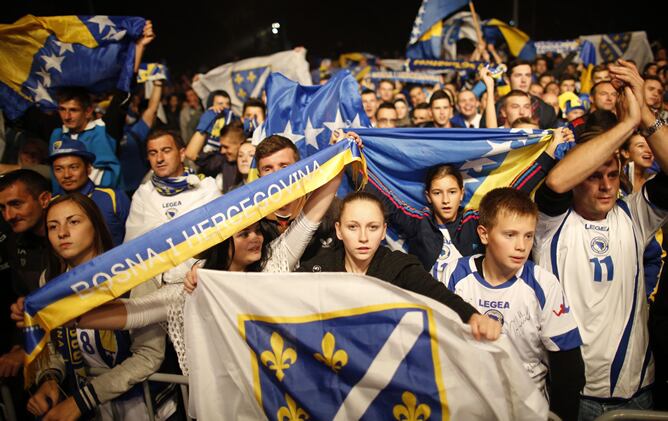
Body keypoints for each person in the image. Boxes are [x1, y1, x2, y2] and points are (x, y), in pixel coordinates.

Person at [34, 148, 355, 375]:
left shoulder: (272, 268)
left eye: (258, 230)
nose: (256, 237)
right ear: (223, 240)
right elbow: (132, 313)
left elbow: (311, 217)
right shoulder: (189, 293)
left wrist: (341, 158)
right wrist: (61, 314)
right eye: (244, 233)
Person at [533, 59, 668, 419]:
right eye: (594, 176)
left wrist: (645, 114)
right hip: (575, 395)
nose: (607, 185)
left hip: (638, 391)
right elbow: (557, 182)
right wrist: (626, 122)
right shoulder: (551, 222)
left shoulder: (634, 214)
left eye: (612, 174)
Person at [442, 187, 584, 421]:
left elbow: (569, 370)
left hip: (527, 411)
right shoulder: (453, 275)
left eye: (528, 235)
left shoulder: (543, 284)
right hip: (466, 410)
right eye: (510, 235)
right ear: (484, 234)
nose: (521, 246)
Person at [25, 193, 169, 421]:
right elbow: (53, 343)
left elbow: (148, 355)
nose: (62, 232)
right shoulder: (50, 280)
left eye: (73, 222)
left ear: (95, 225)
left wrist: (82, 401)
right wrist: (49, 378)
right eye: (53, 226)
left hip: (142, 406)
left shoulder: (132, 275)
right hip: (90, 407)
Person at [297, 191, 502, 341]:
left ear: (384, 231)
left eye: (373, 227)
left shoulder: (399, 266)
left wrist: (473, 316)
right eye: (353, 227)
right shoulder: (318, 268)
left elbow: (440, 296)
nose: (363, 238)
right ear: (339, 231)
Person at [125, 129, 220, 286]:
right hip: (153, 284)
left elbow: (219, 240)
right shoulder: (143, 195)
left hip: (200, 280)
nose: (159, 159)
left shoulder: (206, 188)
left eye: (166, 151)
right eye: (153, 153)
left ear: (182, 154)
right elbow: (131, 249)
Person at [49, 139, 130, 246]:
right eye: (59, 169)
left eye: (73, 167)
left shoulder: (113, 197)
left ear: (88, 169)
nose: (67, 175)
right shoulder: (51, 205)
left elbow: (135, 237)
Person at [49, 88, 121, 190]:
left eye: (73, 110)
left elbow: (111, 175)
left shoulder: (103, 131)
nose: (67, 116)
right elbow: (54, 174)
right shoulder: (57, 135)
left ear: (88, 111)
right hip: (65, 200)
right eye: (62, 109)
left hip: (100, 197)